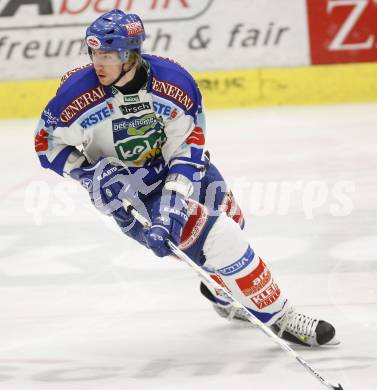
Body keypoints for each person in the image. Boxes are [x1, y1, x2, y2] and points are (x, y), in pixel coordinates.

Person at [34, 9, 338, 347]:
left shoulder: (174, 83)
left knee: (233, 220)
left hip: (177, 169)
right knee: (221, 237)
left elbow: (188, 145)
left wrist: (174, 200)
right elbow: (46, 143)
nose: (98, 63)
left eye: (108, 54)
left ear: (131, 54)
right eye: (94, 54)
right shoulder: (76, 95)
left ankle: (221, 294)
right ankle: (281, 317)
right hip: (134, 190)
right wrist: (88, 174)